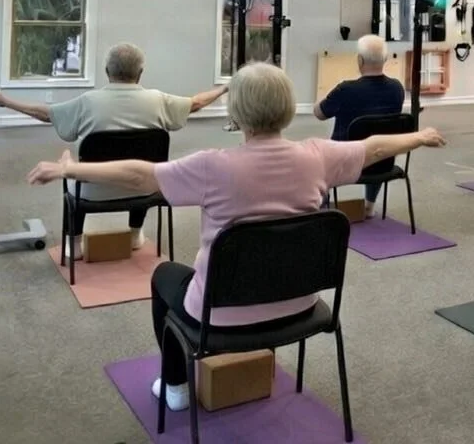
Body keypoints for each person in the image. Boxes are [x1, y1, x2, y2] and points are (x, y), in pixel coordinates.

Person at [26, 62, 446, 411]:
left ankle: (174, 386)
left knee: (163, 277)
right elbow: (372, 148)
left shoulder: (211, 166)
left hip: (218, 315)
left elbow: (140, 174)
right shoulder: (319, 156)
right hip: (303, 303)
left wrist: (69, 169)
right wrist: (420, 137)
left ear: (236, 114)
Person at [0, 42, 226, 258]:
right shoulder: (158, 99)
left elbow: (46, 114)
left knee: (70, 171)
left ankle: (74, 245)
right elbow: (196, 103)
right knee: (141, 169)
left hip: (93, 191)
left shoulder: (88, 101)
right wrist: (225, 88)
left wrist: (4, 101)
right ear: (140, 73)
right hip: (147, 189)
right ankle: (134, 235)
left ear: (107, 72)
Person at [314, 34, 405, 210]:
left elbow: (319, 113)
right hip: (383, 162)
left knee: (315, 158)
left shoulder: (345, 89)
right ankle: (369, 206)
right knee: (376, 148)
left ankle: (323, 208)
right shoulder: (397, 88)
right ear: (385, 59)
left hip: (343, 162)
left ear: (359, 60)